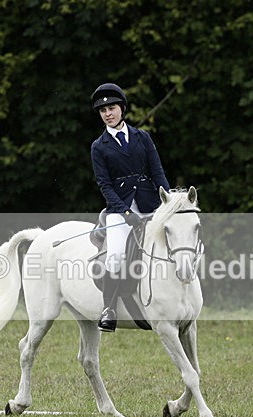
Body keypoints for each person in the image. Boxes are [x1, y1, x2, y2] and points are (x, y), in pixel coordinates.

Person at [90, 82, 171, 332]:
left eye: (112, 108)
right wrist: (125, 213)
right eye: (103, 111)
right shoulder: (98, 146)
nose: (108, 114)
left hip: (149, 203)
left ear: (122, 109)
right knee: (115, 255)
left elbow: (157, 171)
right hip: (119, 208)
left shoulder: (142, 137)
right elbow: (104, 185)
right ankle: (109, 309)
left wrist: (168, 203)